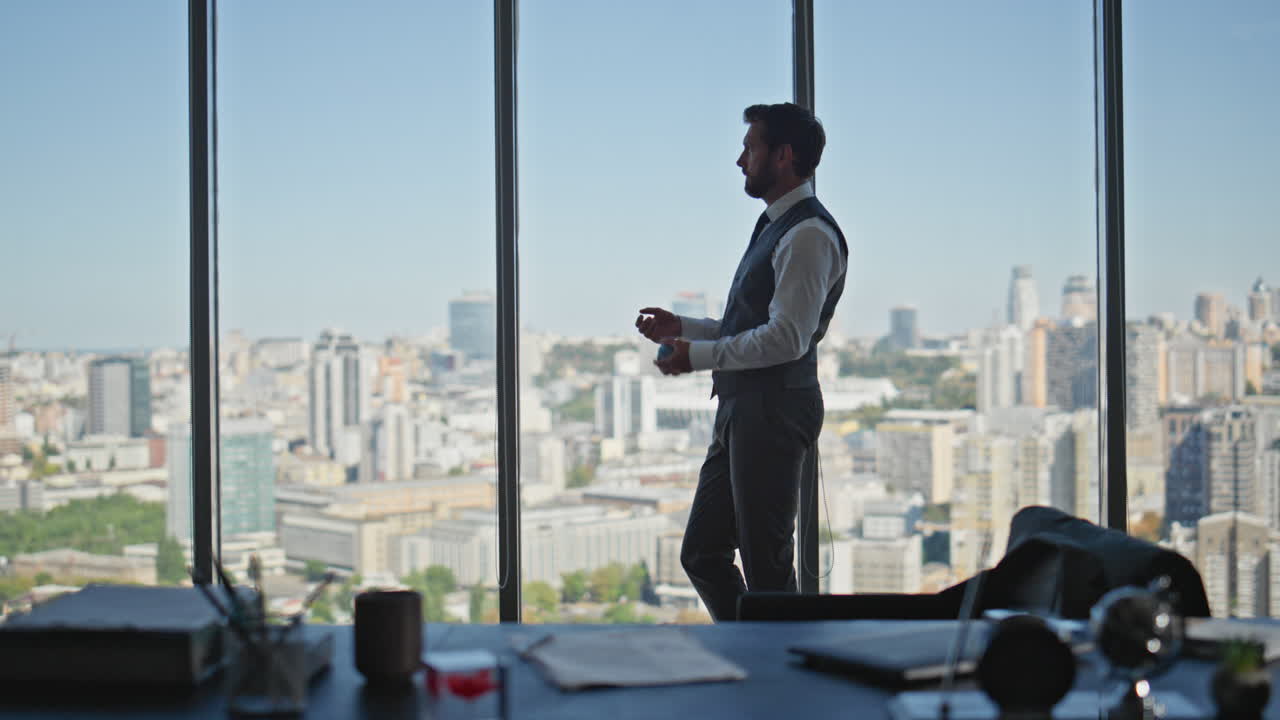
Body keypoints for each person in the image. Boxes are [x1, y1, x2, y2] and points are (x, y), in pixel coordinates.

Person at [636, 103, 848, 621]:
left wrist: (698, 357)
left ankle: (781, 686)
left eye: (750, 147)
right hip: (745, 410)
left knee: (767, 569)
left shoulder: (808, 235)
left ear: (784, 155)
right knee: (703, 553)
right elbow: (755, 327)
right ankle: (751, 652)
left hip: (773, 413)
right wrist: (681, 329)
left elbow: (786, 339)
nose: (740, 160)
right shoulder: (778, 226)